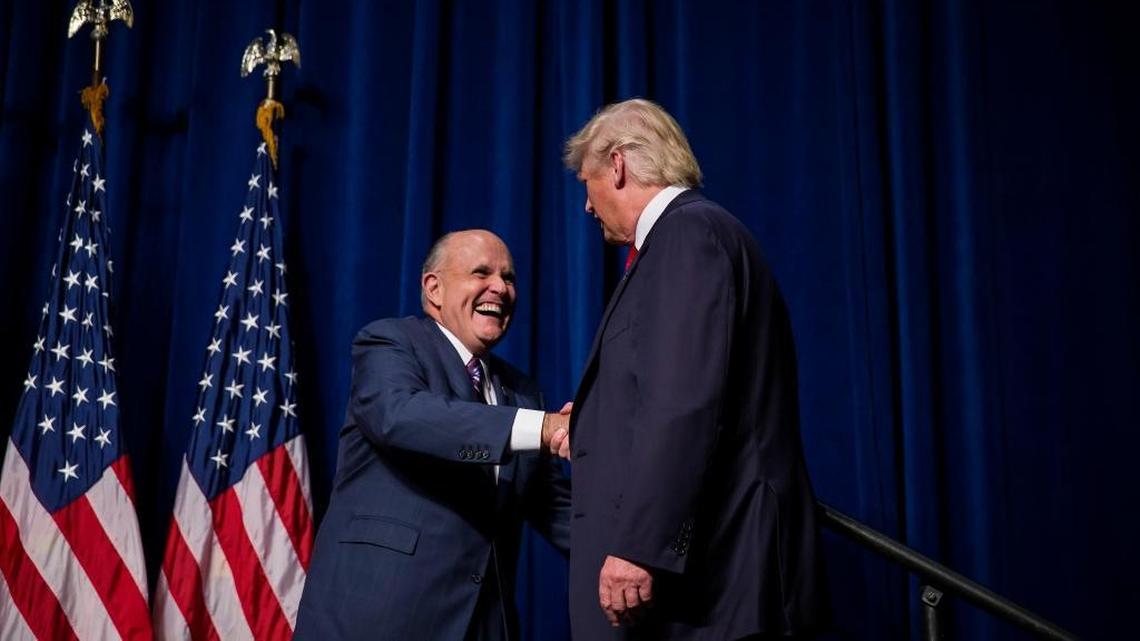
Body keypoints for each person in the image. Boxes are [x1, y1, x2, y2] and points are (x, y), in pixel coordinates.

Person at [562, 99, 830, 640]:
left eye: (587, 182)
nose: (588, 205)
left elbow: (682, 402)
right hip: (710, 579)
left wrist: (640, 545)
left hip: (715, 583)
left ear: (617, 164)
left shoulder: (688, 236)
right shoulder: (697, 235)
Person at [294, 230, 572, 641]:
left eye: (509, 277)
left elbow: (557, 509)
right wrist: (544, 427)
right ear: (434, 288)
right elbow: (402, 417)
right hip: (378, 621)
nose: (500, 287)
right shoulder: (388, 344)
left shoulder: (524, 394)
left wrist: (639, 555)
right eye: (482, 273)